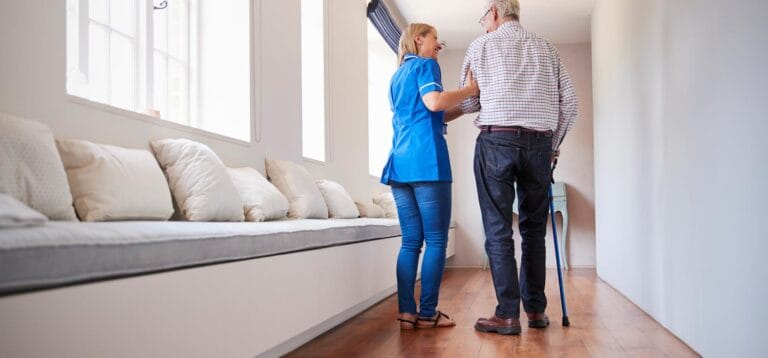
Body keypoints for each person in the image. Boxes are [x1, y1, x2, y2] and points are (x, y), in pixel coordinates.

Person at [458, 0, 578, 335]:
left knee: (498, 230)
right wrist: (552, 147)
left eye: (485, 17)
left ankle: (507, 315)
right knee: (534, 230)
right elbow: (570, 103)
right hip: (539, 144)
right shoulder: (547, 47)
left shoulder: (480, 45)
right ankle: (536, 312)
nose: (484, 24)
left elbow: (468, 102)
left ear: (495, 12)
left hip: (496, 141)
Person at [381, 23, 479, 330]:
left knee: (411, 242)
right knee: (436, 240)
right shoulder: (427, 65)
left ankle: (407, 311)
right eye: (435, 38)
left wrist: (464, 106)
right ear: (418, 39)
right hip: (427, 162)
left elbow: (433, 112)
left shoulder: (397, 76)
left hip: (399, 164)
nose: (439, 44)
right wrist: (470, 90)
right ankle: (427, 313)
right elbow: (434, 102)